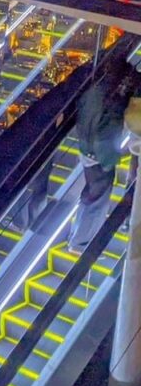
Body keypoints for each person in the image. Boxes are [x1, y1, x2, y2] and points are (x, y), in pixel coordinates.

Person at [68, 57, 141, 253]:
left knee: (91, 194)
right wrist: (110, 161)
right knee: (97, 198)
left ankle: (77, 237)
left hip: (86, 147)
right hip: (97, 154)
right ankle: (81, 243)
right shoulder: (112, 106)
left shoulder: (96, 90)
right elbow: (106, 136)